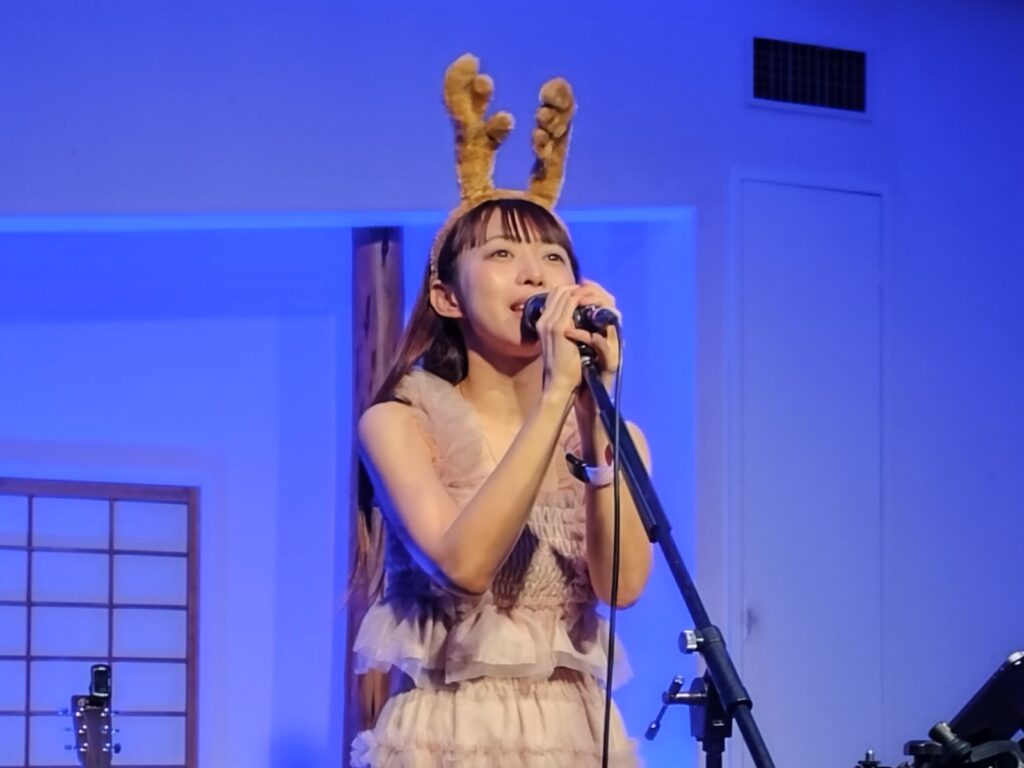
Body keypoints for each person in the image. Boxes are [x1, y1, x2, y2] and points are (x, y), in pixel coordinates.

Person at [350, 53, 653, 767]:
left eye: (553, 258)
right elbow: (464, 565)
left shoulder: (613, 432)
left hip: (576, 736)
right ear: (447, 297)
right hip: (449, 736)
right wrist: (553, 396)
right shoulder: (400, 422)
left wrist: (595, 419)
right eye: (502, 255)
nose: (534, 273)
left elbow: (623, 587)